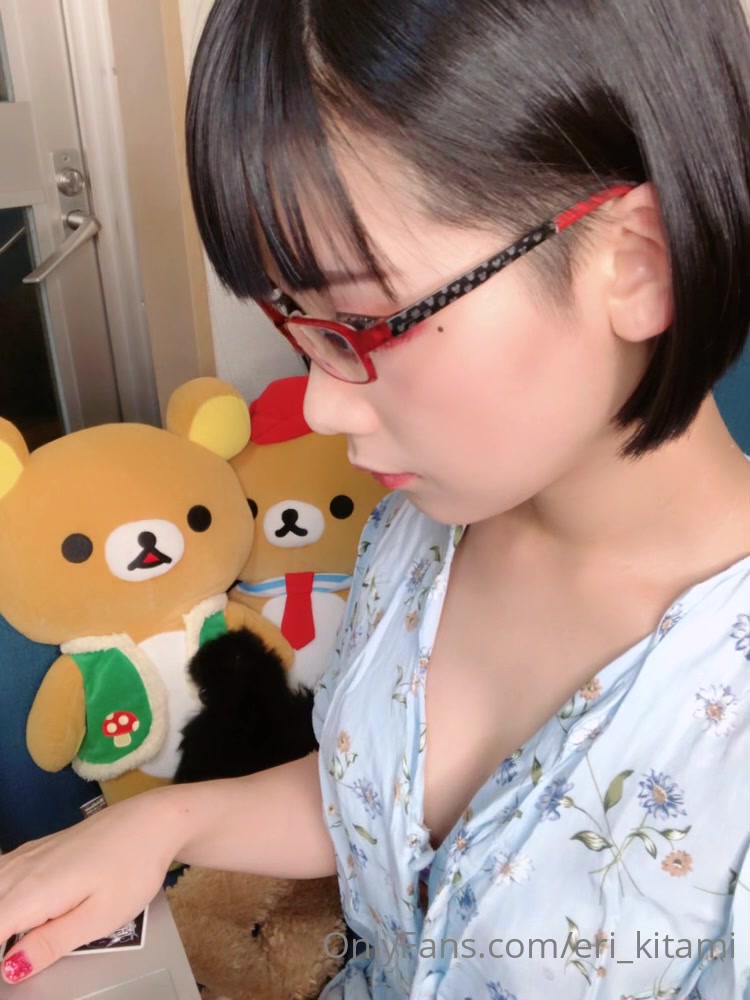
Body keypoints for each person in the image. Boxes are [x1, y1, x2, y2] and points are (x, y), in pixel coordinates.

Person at [1, 0, 749, 996]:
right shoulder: (415, 534)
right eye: (293, 320)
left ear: (638, 263)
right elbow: (372, 802)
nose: (317, 403)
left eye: (358, 322)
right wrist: (163, 822)